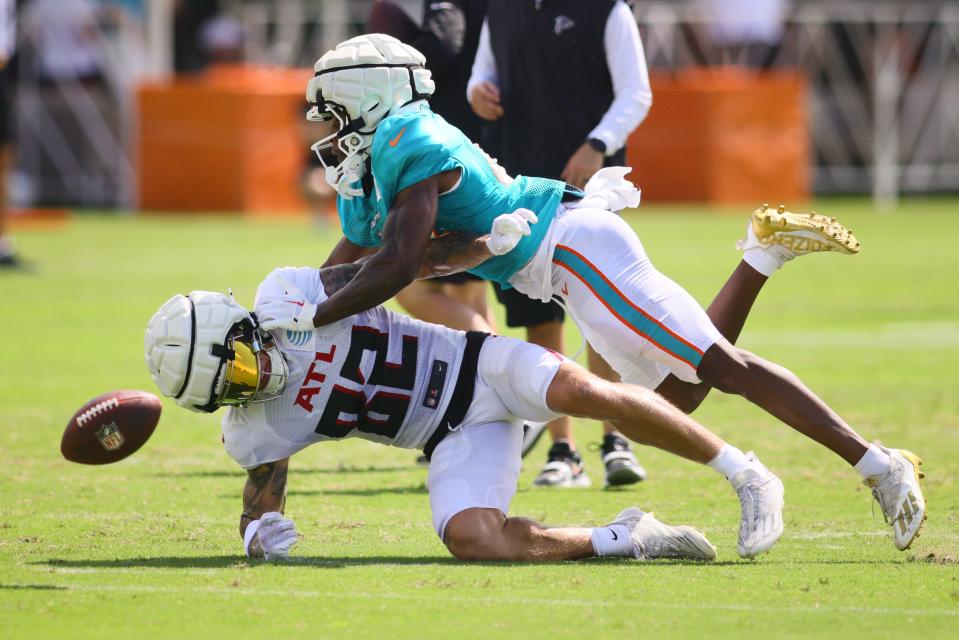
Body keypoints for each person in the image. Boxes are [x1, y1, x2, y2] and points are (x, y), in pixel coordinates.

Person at [285, 33, 926, 552]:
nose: (323, 132)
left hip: (573, 246)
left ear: (368, 102)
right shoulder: (374, 171)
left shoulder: (408, 138)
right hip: (557, 269)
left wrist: (310, 317)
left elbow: (394, 266)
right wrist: (280, 314)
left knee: (719, 368)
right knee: (645, 410)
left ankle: (874, 463)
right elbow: (349, 268)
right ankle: (760, 256)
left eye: (332, 114)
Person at [144, 253, 787, 560]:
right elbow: (261, 494)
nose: (248, 385)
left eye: (242, 366)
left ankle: (745, 472)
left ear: (242, 327)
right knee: (471, 538)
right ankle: (628, 538)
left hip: (478, 364)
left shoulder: (289, 296)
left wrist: (472, 247)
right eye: (226, 391)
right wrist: (260, 533)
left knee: (581, 392)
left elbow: (391, 262)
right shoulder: (254, 425)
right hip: (449, 436)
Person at [467, 0, 654, 488]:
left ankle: (616, 439)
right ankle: (563, 450)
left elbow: (636, 93)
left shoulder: (607, 8)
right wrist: (478, 94)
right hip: (518, 185)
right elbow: (481, 75)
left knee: (601, 313)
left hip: (590, 182)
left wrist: (597, 144)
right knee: (539, 318)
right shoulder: (500, 10)